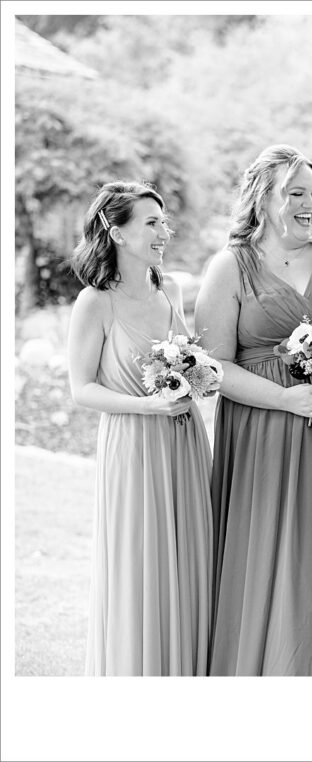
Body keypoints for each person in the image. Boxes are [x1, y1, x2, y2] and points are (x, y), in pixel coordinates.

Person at [194, 145, 312, 675]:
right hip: (268, 431)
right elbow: (212, 367)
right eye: (295, 193)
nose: (310, 203)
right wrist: (286, 397)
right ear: (262, 199)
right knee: (279, 554)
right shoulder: (231, 267)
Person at [67, 181, 212, 675]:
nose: (163, 232)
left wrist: (200, 376)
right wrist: (146, 406)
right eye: (151, 222)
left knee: (188, 558)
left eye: (163, 221)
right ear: (117, 231)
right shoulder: (95, 302)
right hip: (134, 443)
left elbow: (189, 358)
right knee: (140, 564)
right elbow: (81, 388)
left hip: (184, 441)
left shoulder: (169, 290)